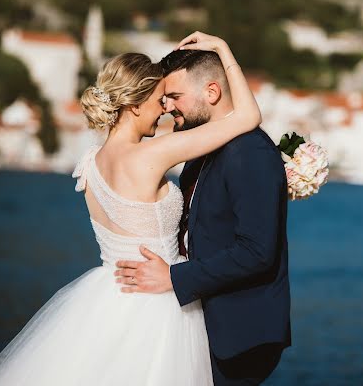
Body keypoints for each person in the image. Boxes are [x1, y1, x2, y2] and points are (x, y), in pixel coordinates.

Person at [0, 32, 261, 386]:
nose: (165, 108)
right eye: (158, 99)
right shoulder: (152, 154)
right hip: (158, 304)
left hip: (106, 298)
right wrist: (223, 50)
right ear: (135, 105)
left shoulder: (89, 164)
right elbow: (247, 117)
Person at [115, 31, 291, 385]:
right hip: (196, 322)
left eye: (174, 96)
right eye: (163, 99)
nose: (167, 107)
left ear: (211, 92)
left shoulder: (251, 152)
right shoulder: (197, 151)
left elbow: (257, 251)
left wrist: (173, 277)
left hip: (239, 331)